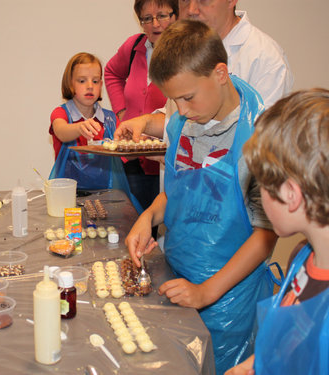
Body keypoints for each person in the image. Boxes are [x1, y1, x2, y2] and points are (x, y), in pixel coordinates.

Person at [124, 20, 278, 374]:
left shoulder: (259, 138)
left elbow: (264, 235)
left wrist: (207, 292)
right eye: (174, 99)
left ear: (220, 73)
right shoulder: (183, 120)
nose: (181, 109)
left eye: (188, 97)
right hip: (179, 278)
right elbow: (178, 193)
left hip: (228, 298)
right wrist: (148, 216)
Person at [225, 89, 329, 375]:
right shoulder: (304, 258)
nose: (257, 197)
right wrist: (256, 364)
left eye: (260, 188)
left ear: (290, 195)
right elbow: (292, 338)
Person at [115, 0, 294, 143]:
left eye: (203, 0)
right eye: (184, 0)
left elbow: (262, 142)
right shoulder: (184, 46)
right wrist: (146, 122)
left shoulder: (265, 58)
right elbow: (180, 118)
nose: (191, 9)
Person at [105, 0, 178, 212]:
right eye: (147, 18)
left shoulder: (185, 54)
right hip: (132, 160)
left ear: (176, 16)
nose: (155, 24)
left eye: (162, 15)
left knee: (163, 222)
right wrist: (121, 111)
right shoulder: (133, 47)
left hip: (166, 160)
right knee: (134, 220)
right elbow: (111, 72)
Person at [49, 53, 141, 211]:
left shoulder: (110, 119)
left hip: (108, 198)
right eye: (82, 80)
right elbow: (61, 131)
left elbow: (126, 155)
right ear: (70, 84)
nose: (90, 86)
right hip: (69, 198)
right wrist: (78, 128)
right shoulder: (61, 114)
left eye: (96, 81)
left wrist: (135, 144)